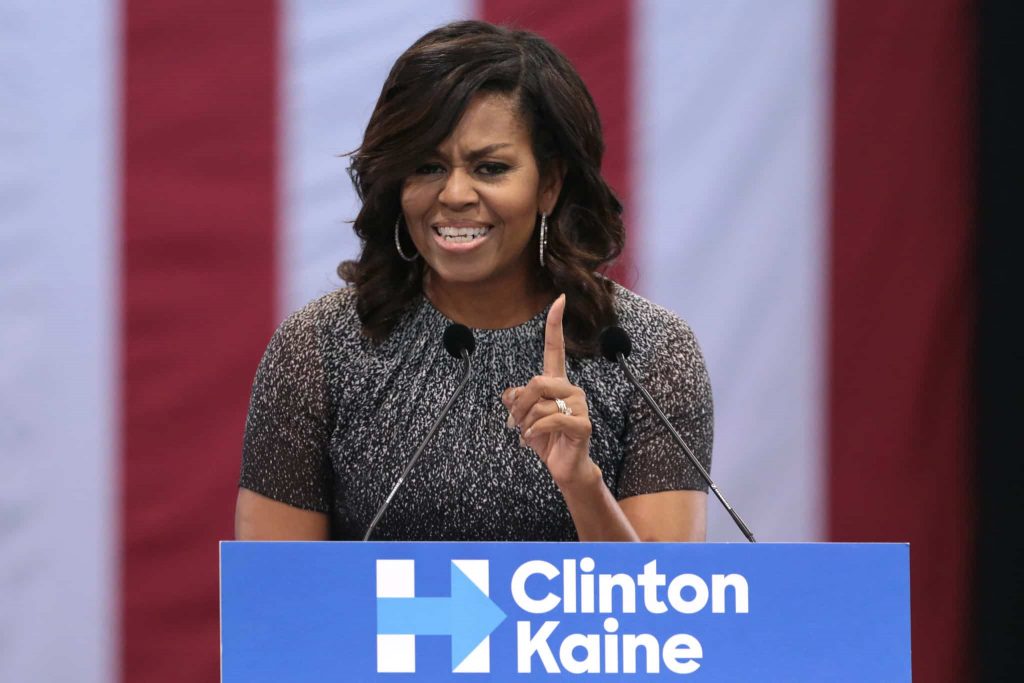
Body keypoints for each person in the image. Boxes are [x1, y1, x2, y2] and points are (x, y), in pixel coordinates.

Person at [235, 20, 712, 542]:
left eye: (490, 168)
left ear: (549, 185)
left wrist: (581, 483)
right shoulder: (320, 347)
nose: (455, 195)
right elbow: (274, 587)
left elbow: (663, 592)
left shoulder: (646, 352)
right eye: (427, 166)